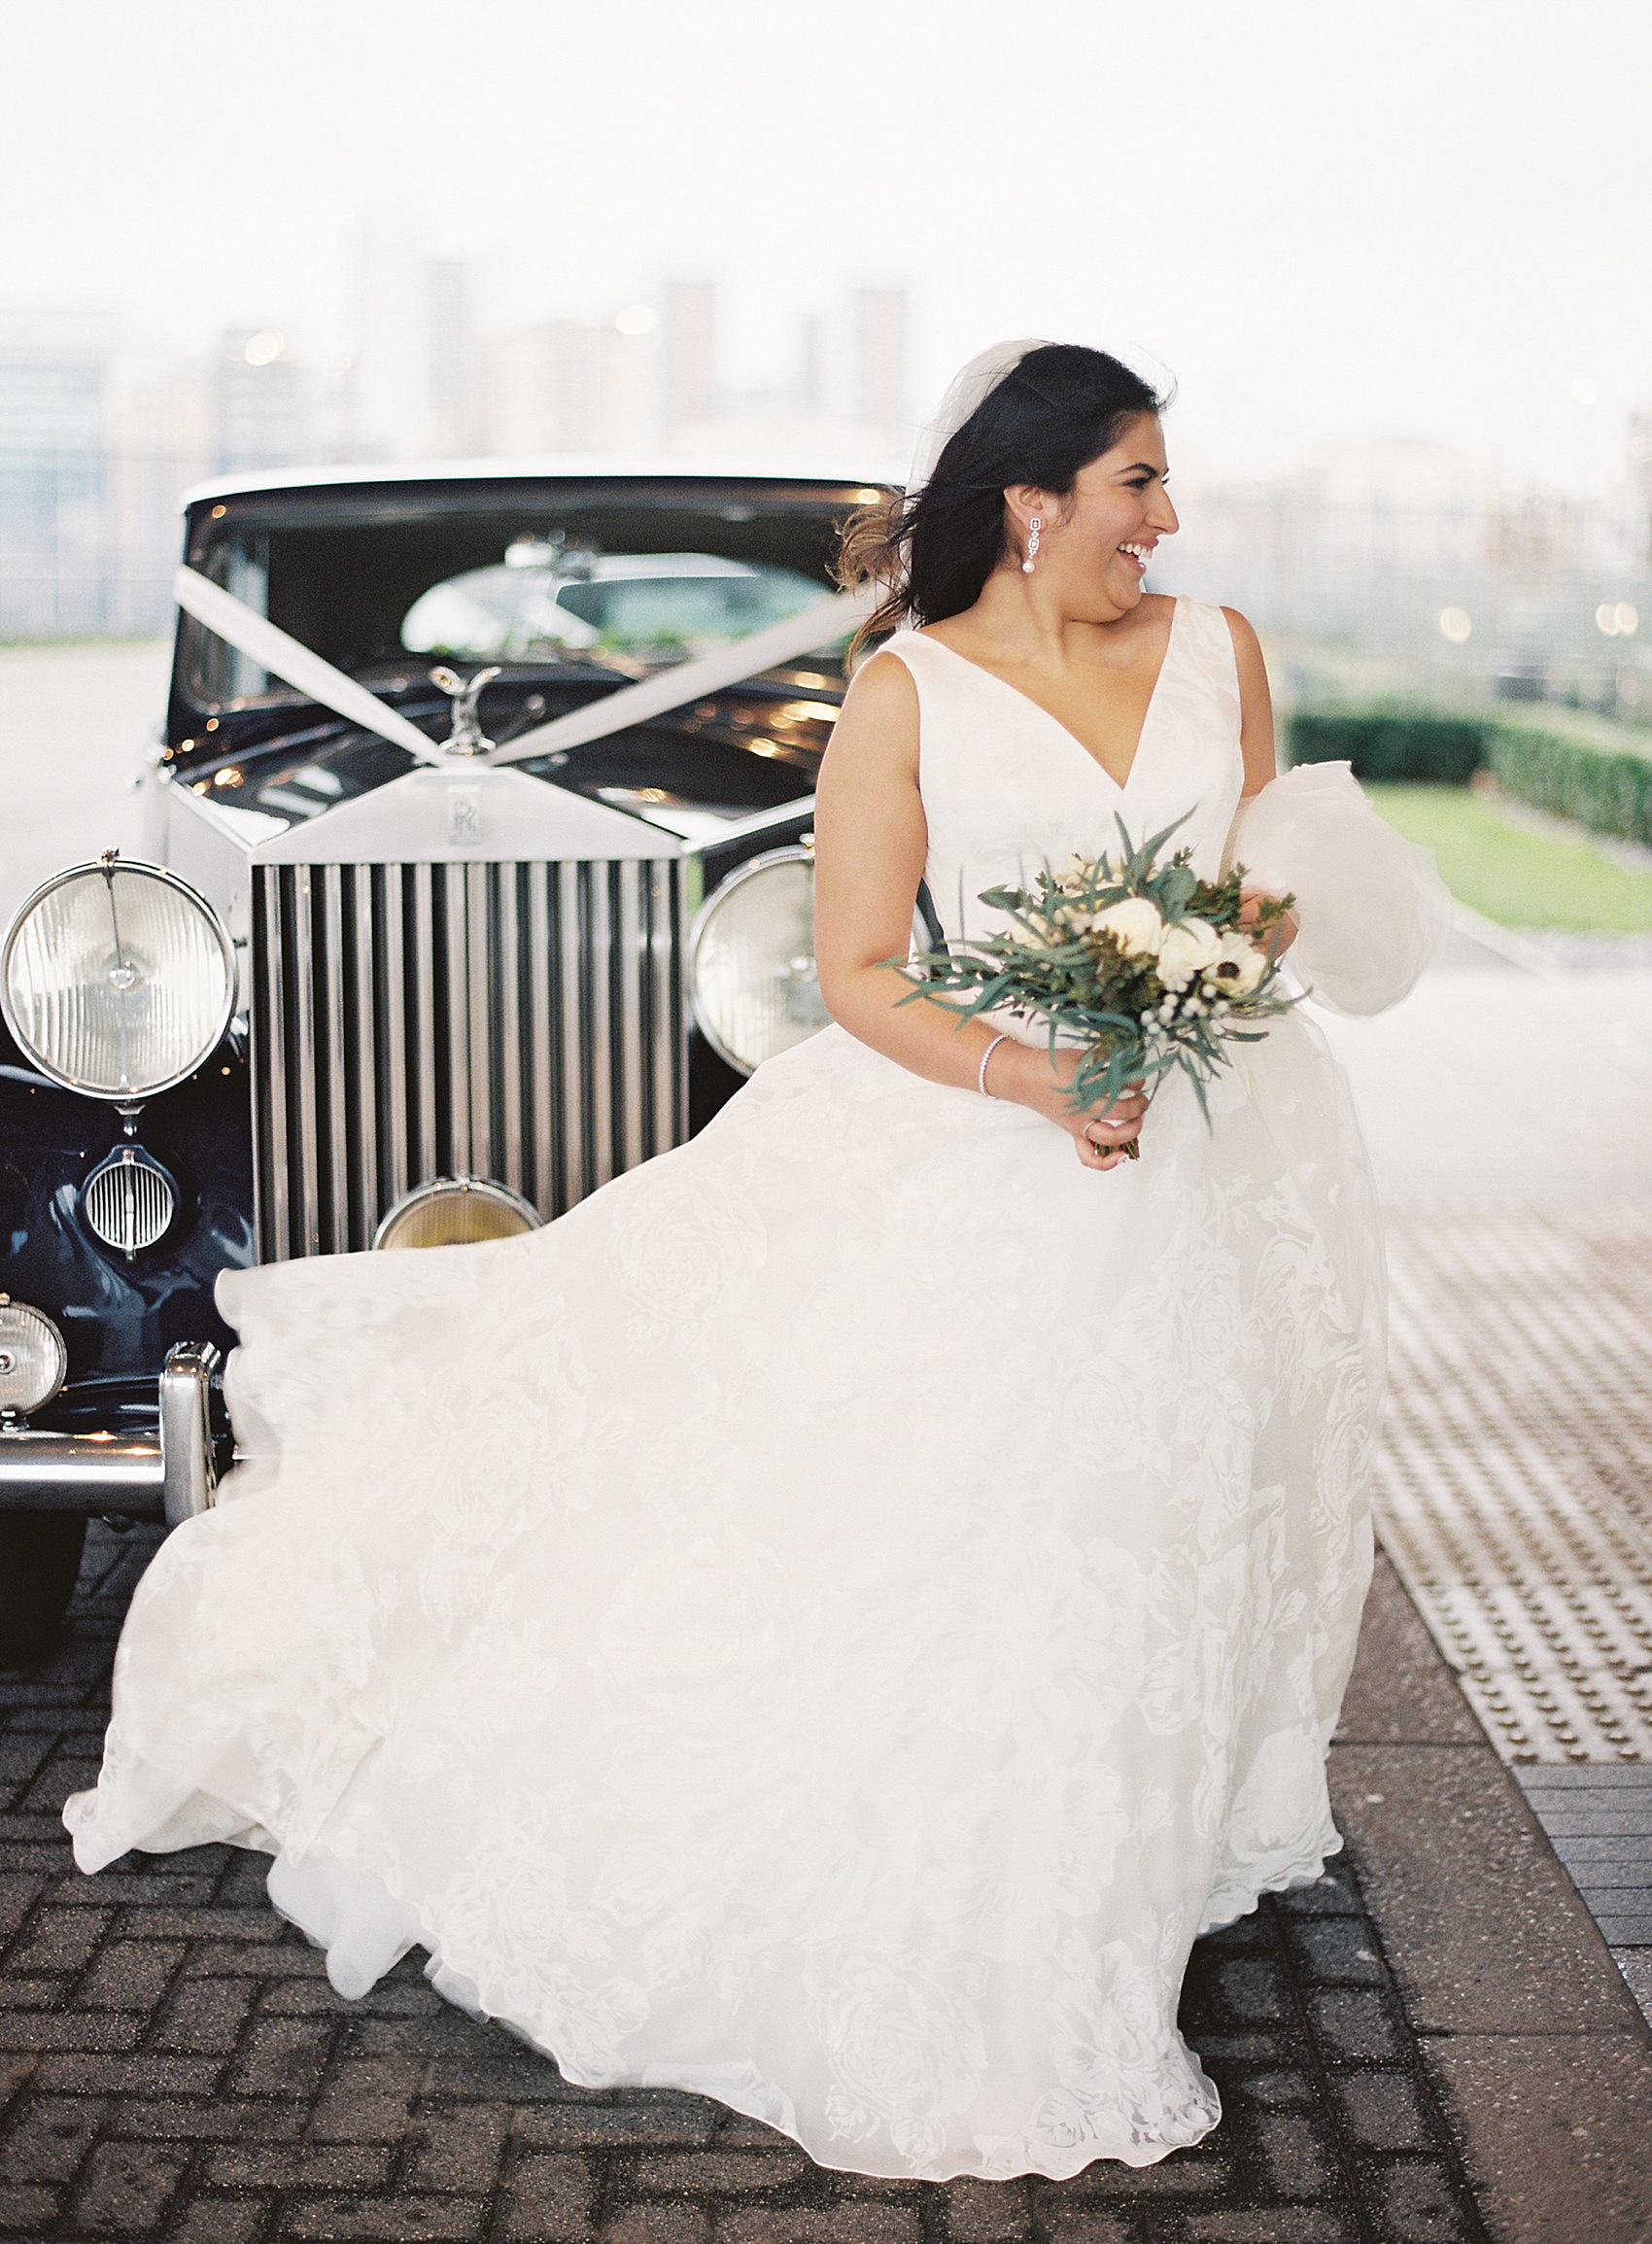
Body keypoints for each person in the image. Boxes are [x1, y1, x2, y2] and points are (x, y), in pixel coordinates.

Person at [65, 342, 1446, 2183]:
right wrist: (1038, 1073)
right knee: (995, 1513)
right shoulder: (907, 692)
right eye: (1139, 481)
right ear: (1034, 503)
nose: (1169, 519)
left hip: (1221, 1135)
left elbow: (1255, 868)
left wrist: (1234, 948)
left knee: (1197, 1481)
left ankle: (1158, 1814)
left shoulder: (1223, 651)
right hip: (997, 1127)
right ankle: (1003, 1874)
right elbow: (867, 971)